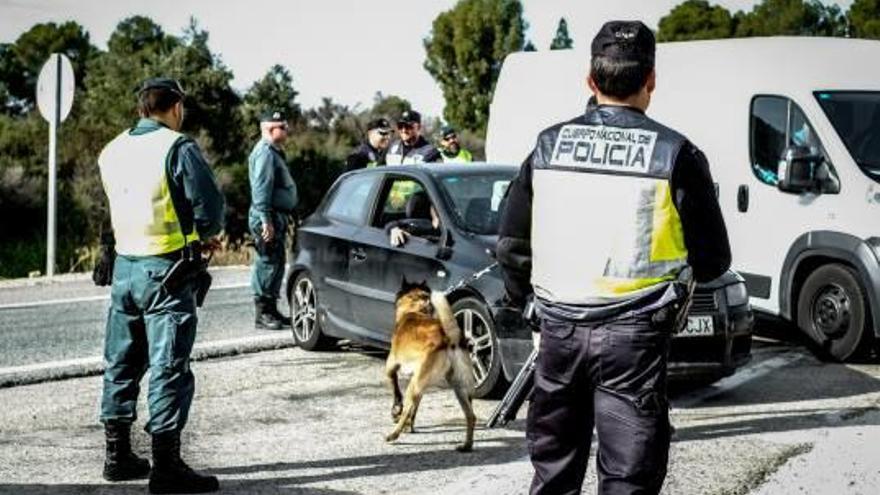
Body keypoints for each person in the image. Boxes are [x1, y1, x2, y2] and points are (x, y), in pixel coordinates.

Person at [497, 21, 731, 495]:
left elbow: (511, 245)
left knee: (553, 473)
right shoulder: (676, 154)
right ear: (651, 81)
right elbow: (713, 259)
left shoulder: (546, 147)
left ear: (590, 80)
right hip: (634, 340)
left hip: (558, 332)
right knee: (628, 478)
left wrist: (528, 302)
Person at [97, 77, 224, 493]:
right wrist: (207, 233)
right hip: (166, 273)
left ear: (140, 109)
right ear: (175, 107)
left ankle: (117, 457)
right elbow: (209, 206)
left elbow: (112, 205)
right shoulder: (177, 146)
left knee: (122, 362)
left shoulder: (112, 150)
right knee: (169, 366)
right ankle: (166, 467)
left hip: (124, 269)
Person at [249, 110, 298, 330]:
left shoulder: (274, 152)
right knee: (267, 263)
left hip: (276, 216)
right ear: (270, 129)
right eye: (283, 127)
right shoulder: (264, 153)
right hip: (266, 217)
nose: (287, 130)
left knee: (277, 262)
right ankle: (262, 313)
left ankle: (272, 310)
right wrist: (265, 219)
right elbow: (261, 189)